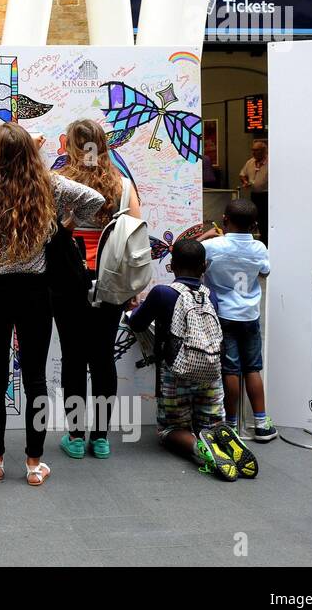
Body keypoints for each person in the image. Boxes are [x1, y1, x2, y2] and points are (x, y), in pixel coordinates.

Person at [0, 122, 105, 487]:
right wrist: (62, 224)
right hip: (35, 292)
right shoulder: (48, 186)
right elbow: (96, 201)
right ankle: (33, 463)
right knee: (35, 379)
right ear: (30, 153)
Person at [126, 239, 256, 481]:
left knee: (170, 429)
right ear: (204, 266)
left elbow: (137, 323)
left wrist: (135, 307)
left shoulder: (162, 293)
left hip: (176, 373)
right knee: (211, 425)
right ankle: (221, 438)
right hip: (210, 373)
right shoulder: (212, 297)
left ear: (172, 265)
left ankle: (201, 449)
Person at [54, 119, 142, 460]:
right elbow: (135, 238)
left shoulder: (63, 185)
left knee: (73, 358)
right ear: (104, 145)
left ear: (72, 147)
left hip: (69, 282)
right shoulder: (122, 186)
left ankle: (75, 437)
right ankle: (101, 439)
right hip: (110, 282)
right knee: (103, 357)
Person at [201, 198, 276, 441]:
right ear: (255, 225)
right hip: (250, 315)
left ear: (224, 220)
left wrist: (205, 236)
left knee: (230, 370)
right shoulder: (260, 248)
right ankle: (262, 423)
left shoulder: (214, 245)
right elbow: (265, 271)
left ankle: (231, 424)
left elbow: (188, 252)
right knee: (253, 367)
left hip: (223, 315)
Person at [239, 139, 269, 244]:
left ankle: (266, 242)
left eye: (257, 150)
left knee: (265, 221)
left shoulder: (270, 162)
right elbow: (242, 174)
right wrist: (245, 181)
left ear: (264, 151)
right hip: (254, 195)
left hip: (267, 196)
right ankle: (256, 241)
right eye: (253, 150)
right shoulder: (250, 162)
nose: (254, 153)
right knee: (255, 219)